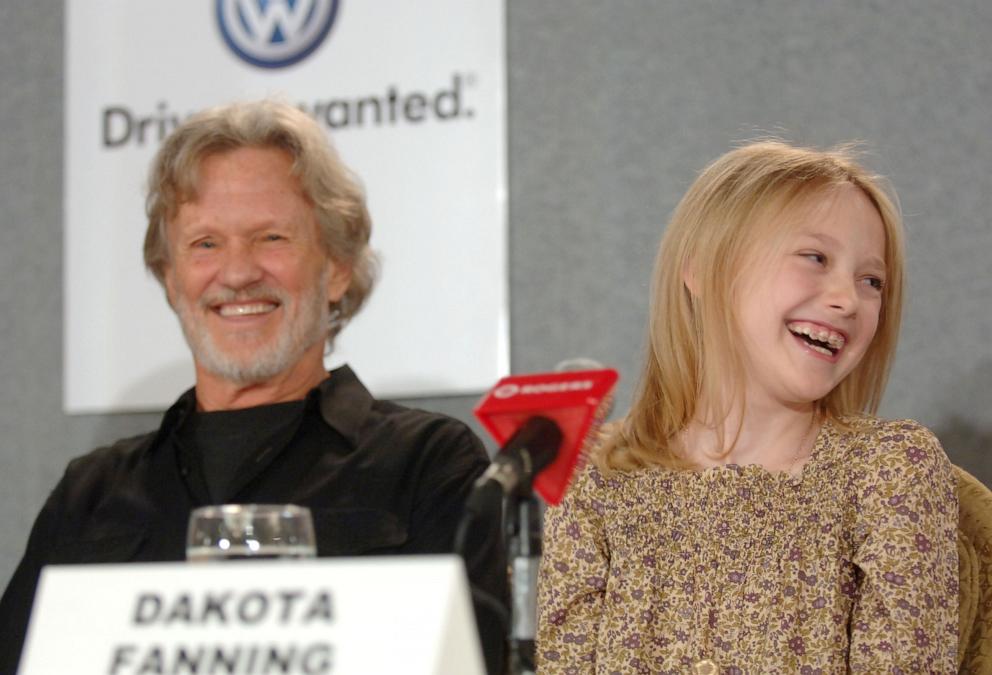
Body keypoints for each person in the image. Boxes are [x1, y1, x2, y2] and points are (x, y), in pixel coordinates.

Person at [0, 100, 507, 674]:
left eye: (270, 237)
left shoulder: (427, 465)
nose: (237, 273)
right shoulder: (89, 494)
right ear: (171, 277)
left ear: (337, 268)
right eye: (205, 244)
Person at [536, 141, 958, 672]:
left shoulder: (889, 469)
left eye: (872, 281)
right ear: (705, 267)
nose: (848, 300)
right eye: (816, 258)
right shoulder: (595, 477)